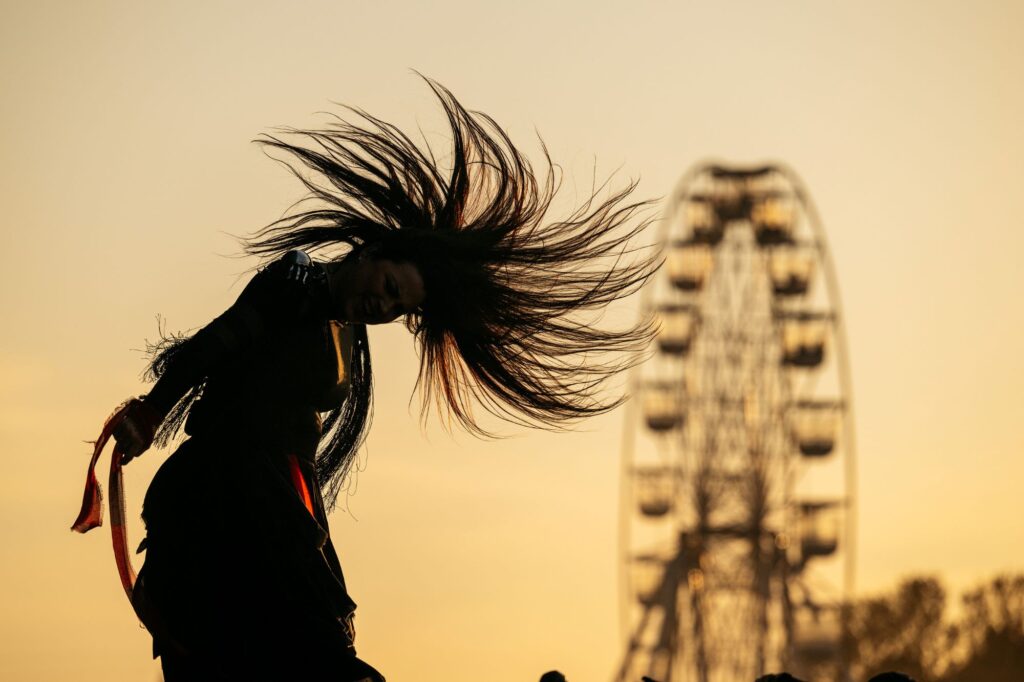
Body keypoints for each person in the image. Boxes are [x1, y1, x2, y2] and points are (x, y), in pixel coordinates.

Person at [76, 78, 658, 680]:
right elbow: (212, 345)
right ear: (372, 252)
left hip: (279, 501)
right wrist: (151, 411)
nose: (384, 307)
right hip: (222, 494)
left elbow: (302, 464)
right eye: (388, 287)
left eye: (399, 308)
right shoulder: (292, 286)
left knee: (313, 635)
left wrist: (320, 546)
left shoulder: (350, 343)